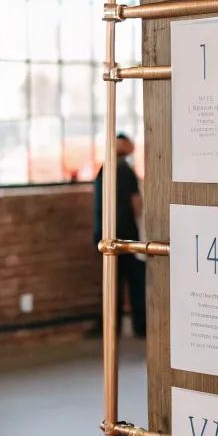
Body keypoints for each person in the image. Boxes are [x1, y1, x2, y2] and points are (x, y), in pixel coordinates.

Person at [93, 132, 146, 339]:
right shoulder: (124, 170)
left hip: (105, 235)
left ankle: (110, 325)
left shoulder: (104, 171)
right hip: (126, 237)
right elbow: (137, 204)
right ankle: (140, 324)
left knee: (111, 283)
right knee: (135, 282)